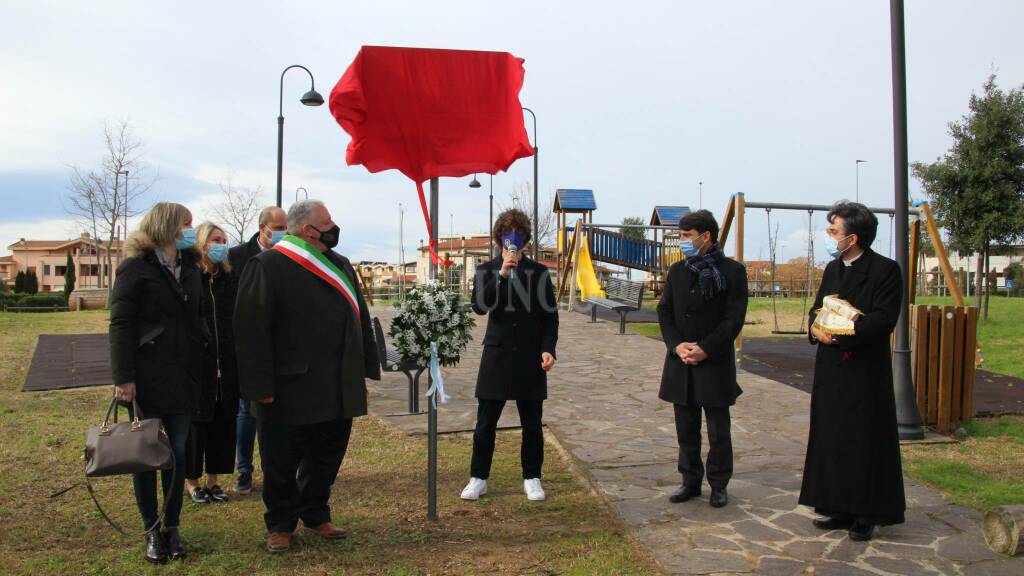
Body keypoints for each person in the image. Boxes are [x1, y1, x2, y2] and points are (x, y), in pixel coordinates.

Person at [234, 199, 380, 553]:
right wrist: (258, 386)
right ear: (307, 229)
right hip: (289, 386)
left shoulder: (340, 264)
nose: (334, 227)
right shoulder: (268, 265)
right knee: (281, 460)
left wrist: (361, 369)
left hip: (336, 384)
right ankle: (281, 524)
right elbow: (250, 330)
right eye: (327, 221)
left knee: (327, 454)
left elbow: (358, 317)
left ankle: (316, 512)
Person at [800, 201, 906, 541]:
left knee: (864, 439)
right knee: (832, 437)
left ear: (854, 237)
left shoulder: (885, 270)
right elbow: (818, 308)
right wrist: (815, 329)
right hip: (830, 370)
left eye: (834, 231)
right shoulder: (834, 269)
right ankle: (837, 504)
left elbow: (882, 319)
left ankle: (866, 511)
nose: (829, 236)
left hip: (863, 370)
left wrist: (842, 335)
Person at [109, 202, 204, 563]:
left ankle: (173, 526)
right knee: (146, 455)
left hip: (185, 376)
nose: (191, 229)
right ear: (168, 227)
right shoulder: (136, 268)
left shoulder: (192, 267)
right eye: (186, 223)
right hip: (147, 378)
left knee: (177, 453)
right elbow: (120, 325)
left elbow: (198, 316)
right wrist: (123, 377)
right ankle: (151, 529)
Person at [461, 209, 558, 502]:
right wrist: (502, 273)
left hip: (530, 357)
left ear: (526, 240)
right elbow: (480, 306)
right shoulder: (486, 271)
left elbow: (550, 317)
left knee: (532, 423)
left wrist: (548, 348)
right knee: (485, 423)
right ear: (499, 240)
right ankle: (478, 477)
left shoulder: (539, 273)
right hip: (497, 356)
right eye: (507, 237)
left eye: (518, 237)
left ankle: (532, 477)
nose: (513, 243)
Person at [657, 209, 748, 508]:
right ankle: (690, 481)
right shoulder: (678, 271)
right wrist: (677, 345)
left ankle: (719, 484)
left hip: (714, 362)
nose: (681, 241)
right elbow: (665, 312)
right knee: (686, 428)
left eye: (685, 236)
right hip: (681, 362)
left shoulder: (733, 272)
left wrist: (706, 347)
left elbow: (733, 319)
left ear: (705, 236)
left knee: (718, 430)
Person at [228, 206, 287, 495]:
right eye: (278, 226)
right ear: (262, 226)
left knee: (274, 413)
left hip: (280, 346)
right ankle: (243, 470)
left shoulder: (288, 254)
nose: (282, 231)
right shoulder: (238, 256)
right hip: (248, 343)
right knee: (246, 410)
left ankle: (276, 471)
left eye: (285, 226)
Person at [184, 223, 239, 504]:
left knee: (223, 425)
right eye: (216, 239)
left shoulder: (230, 278)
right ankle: (192, 482)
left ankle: (214, 480)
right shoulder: (190, 277)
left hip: (227, 366)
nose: (221, 244)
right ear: (203, 243)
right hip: (199, 366)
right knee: (196, 426)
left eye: (224, 240)